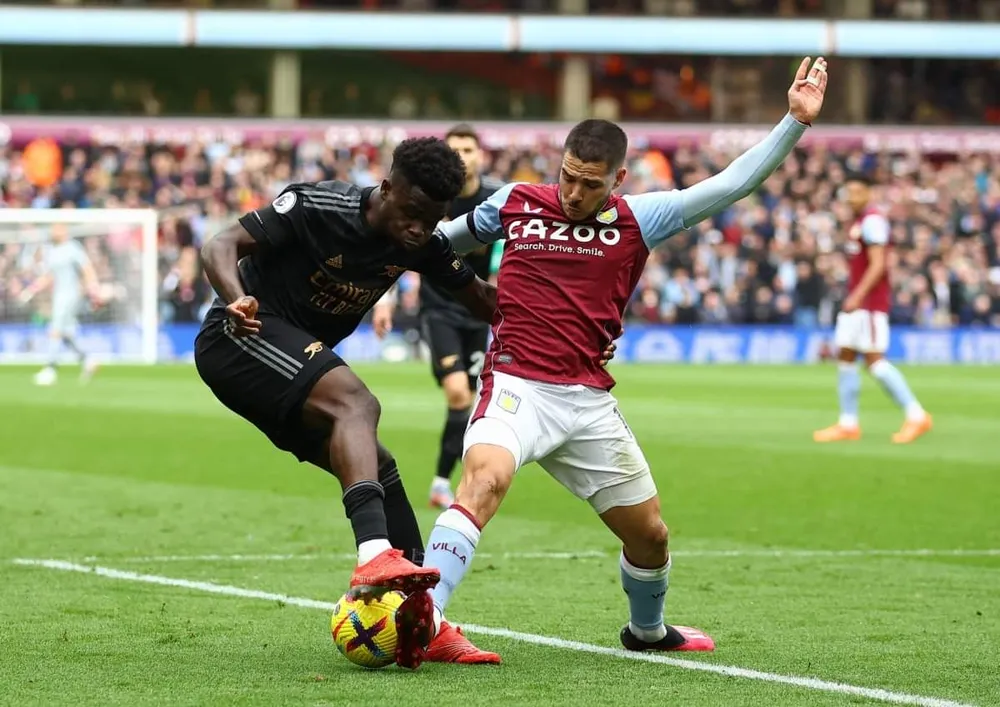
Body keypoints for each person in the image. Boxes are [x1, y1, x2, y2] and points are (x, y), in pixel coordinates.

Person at [421, 57, 829, 663]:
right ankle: (423, 621)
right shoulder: (513, 202)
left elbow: (731, 184)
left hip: (587, 403)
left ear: (619, 178)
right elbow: (435, 244)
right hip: (514, 387)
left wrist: (793, 122)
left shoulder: (643, 218)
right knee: (483, 480)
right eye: (568, 177)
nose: (574, 193)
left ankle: (646, 631)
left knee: (651, 536)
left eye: (591, 183)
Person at [194, 137, 499, 669]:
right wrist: (233, 295)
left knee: (380, 467)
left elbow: (480, 297)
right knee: (357, 402)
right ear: (386, 189)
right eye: (410, 213)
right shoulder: (317, 206)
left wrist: (569, 322)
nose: (418, 230)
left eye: (431, 220)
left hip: (287, 368)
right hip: (239, 337)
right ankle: (373, 556)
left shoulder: (419, 242)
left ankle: (424, 620)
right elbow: (220, 244)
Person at [373, 123, 505, 510]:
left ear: (480, 155)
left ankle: (444, 482)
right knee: (458, 393)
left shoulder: (496, 200)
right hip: (440, 309)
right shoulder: (432, 197)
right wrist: (385, 299)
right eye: (455, 150)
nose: (463, 156)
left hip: (479, 313)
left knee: (472, 403)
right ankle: (443, 483)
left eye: (468, 149)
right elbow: (401, 245)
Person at [813, 172, 933, 444]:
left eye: (856, 192)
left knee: (875, 361)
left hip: (868, 304)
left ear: (868, 193)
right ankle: (848, 423)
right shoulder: (858, 222)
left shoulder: (873, 222)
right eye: (848, 193)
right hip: (856, 302)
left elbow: (879, 265)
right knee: (845, 355)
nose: (851, 198)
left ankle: (916, 415)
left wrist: (857, 295)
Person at [18, 223, 101, 386]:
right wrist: (30, 290)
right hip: (58, 295)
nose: (52, 232)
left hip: (70, 295)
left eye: (56, 229)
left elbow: (86, 267)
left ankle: (50, 369)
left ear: (64, 231)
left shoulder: (73, 248)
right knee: (65, 333)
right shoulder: (52, 251)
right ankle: (88, 360)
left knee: (55, 329)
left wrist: (93, 287)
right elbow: (49, 276)